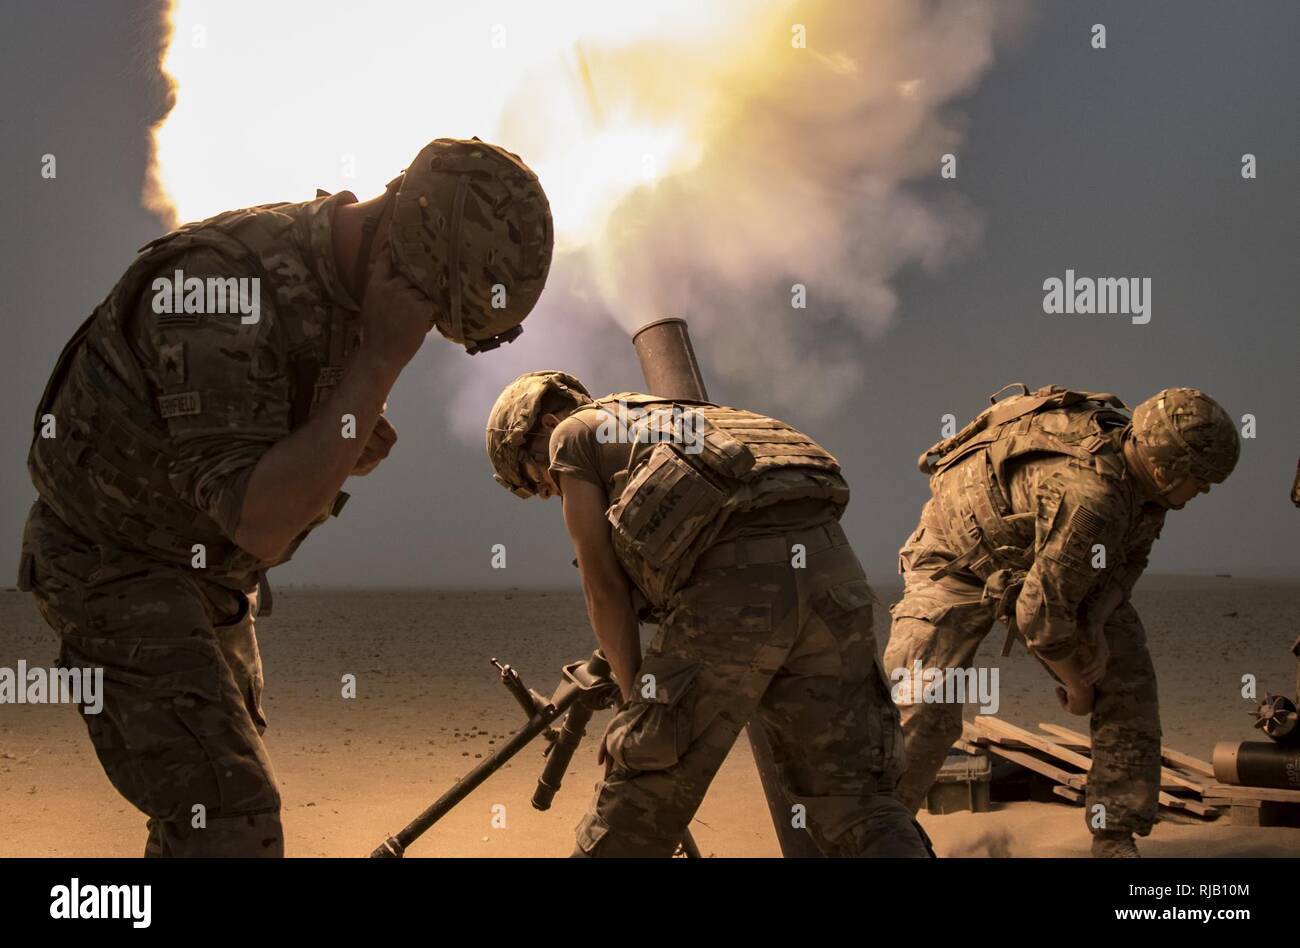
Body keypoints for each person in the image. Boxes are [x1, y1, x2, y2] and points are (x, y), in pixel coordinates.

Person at [19, 137, 553, 856]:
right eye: (427, 312)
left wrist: (335, 437)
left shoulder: (349, 281)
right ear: (403, 254)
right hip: (113, 562)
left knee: (209, 807)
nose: (419, 332)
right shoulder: (220, 289)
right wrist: (375, 368)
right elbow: (262, 521)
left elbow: (262, 450)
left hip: (207, 574)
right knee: (231, 815)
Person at [485, 371, 933, 858]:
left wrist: (639, 708)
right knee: (856, 799)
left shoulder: (572, 436)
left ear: (547, 424)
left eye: (539, 480)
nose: (551, 492)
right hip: (834, 580)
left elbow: (603, 588)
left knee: (640, 796)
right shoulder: (689, 418)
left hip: (737, 591)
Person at [881, 384, 1240, 857]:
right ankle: (880, 834)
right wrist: (1078, 687)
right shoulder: (1095, 495)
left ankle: (1114, 834)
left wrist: (1096, 626)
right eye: (1201, 478)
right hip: (956, 560)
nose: (1204, 491)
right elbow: (1039, 617)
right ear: (1165, 467)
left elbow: (1127, 562)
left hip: (1045, 560)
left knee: (1128, 681)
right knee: (924, 704)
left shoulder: (1148, 486)